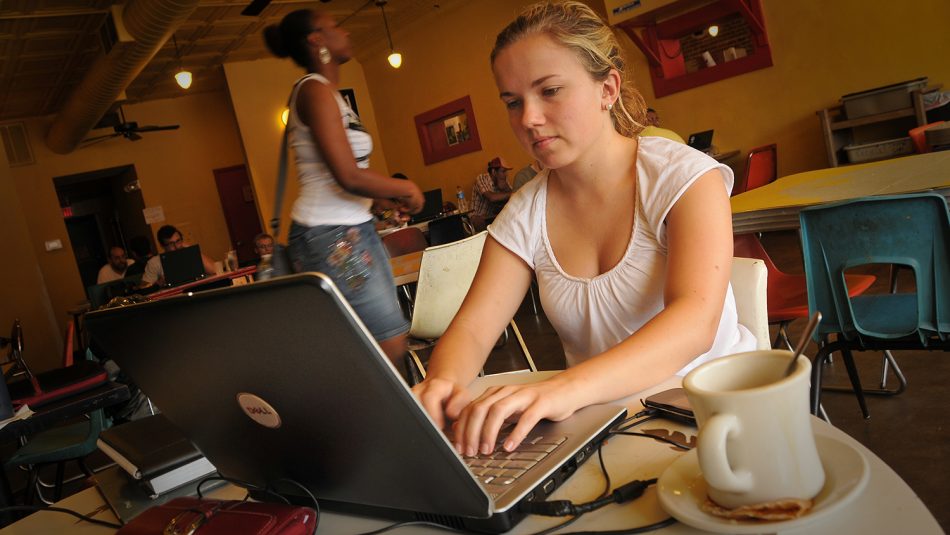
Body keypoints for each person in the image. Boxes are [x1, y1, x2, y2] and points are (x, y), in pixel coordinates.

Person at [413, 1, 755, 458]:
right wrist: (441, 385)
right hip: (610, 426)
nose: (528, 118)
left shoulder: (683, 178)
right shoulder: (525, 210)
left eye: (550, 91)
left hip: (714, 416)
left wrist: (563, 388)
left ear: (607, 88)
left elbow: (695, 322)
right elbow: (474, 330)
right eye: (513, 102)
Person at [263, 9, 424, 366]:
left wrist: (380, 199)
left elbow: (349, 177)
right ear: (316, 40)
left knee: (381, 338)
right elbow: (346, 175)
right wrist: (406, 186)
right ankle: (385, 418)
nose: (345, 31)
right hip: (330, 234)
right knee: (388, 341)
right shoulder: (313, 91)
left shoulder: (331, 96)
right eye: (335, 25)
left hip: (349, 228)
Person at [140, 225, 216, 288]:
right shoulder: (154, 262)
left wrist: (192, 250)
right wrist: (159, 282)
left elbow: (213, 270)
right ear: (162, 246)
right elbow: (144, 288)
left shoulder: (189, 252)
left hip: (198, 289)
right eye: (171, 244)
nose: (176, 246)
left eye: (178, 241)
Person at [470, 156, 514, 231]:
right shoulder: (481, 178)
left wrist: (505, 188)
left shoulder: (503, 180)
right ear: (494, 172)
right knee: (478, 220)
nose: (506, 174)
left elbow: (513, 200)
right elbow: (491, 198)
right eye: (503, 171)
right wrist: (510, 194)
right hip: (477, 217)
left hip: (492, 217)